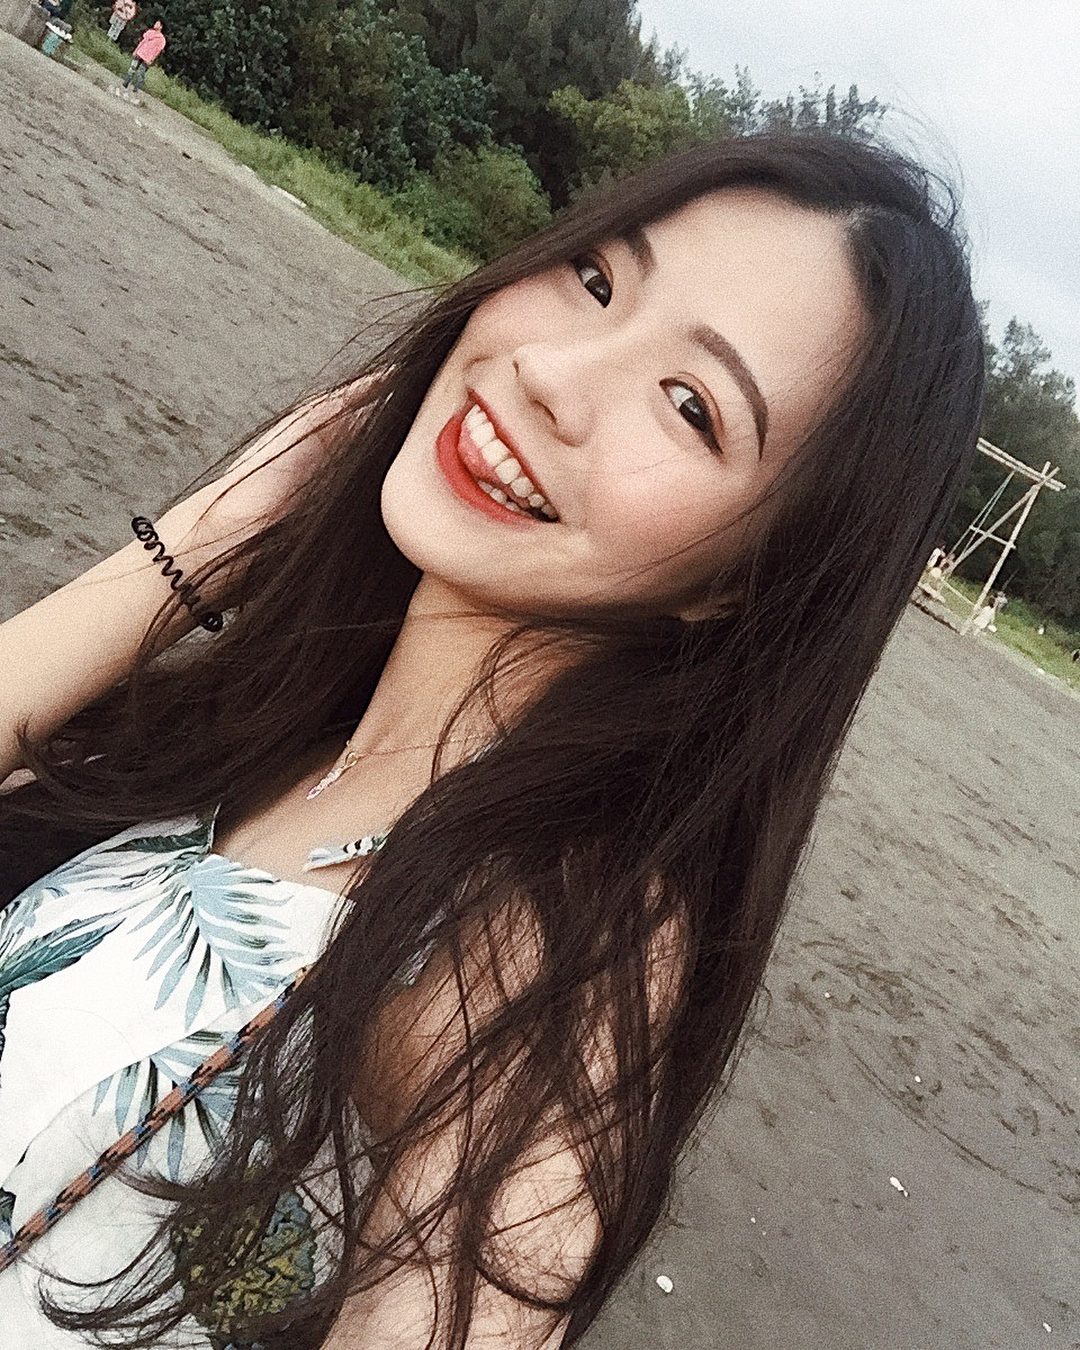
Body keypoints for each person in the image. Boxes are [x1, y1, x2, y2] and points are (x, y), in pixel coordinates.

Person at [0, 133, 984, 1348]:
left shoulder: (555, 939)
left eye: (691, 407)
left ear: (746, 580)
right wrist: (211, 540)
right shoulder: (276, 727)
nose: (554, 374)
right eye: (598, 280)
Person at [116, 18, 165, 104]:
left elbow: (158, 51)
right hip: (140, 53)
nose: (155, 24)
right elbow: (143, 42)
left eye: (157, 23)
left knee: (140, 74)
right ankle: (124, 87)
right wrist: (136, 50)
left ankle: (134, 92)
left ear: (161, 26)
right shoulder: (150, 32)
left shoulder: (161, 39)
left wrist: (152, 59)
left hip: (147, 58)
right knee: (131, 70)